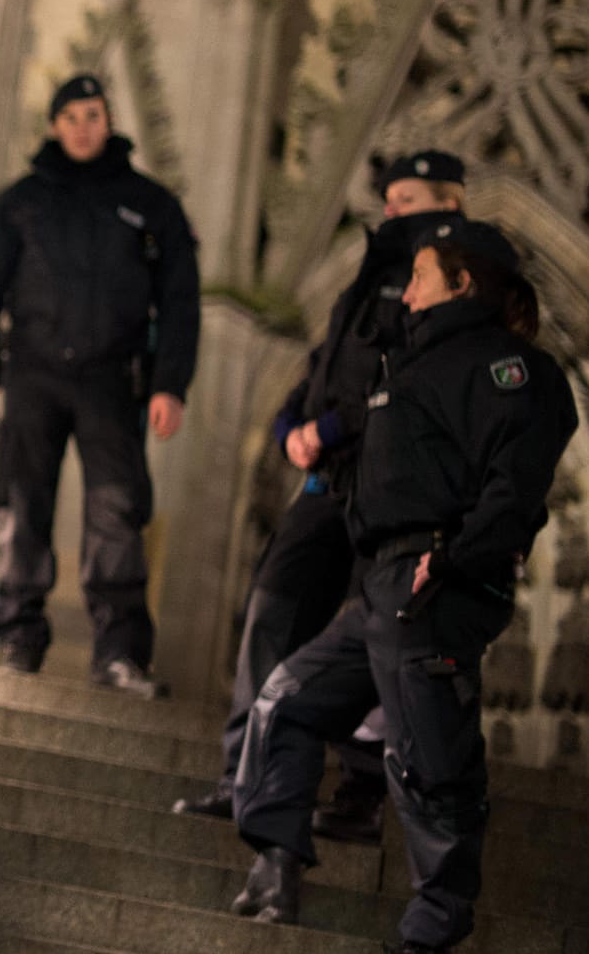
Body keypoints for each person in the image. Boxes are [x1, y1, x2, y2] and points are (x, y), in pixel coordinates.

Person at [230, 217, 576, 954]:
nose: (407, 291)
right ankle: (276, 861)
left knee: (431, 765)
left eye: (421, 275)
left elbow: (514, 489)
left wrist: (454, 561)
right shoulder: (406, 364)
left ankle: (432, 929)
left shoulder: (512, 370)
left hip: (434, 585)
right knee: (286, 702)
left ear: (464, 283)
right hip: (380, 584)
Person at [174, 151, 468, 840]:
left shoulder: (450, 285)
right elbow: (323, 366)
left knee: (379, 636)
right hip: (327, 482)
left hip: (394, 488)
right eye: (390, 198)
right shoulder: (369, 277)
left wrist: (326, 428)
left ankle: (361, 792)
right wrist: (290, 428)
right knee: (271, 610)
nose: (392, 210)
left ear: (447, 207)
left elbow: (420, 387)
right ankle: (245, 773)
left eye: (408, 198)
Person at [0, 73, 201, 697]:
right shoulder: (21, 201)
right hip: (32, 376)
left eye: (93, 115)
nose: (82, 126)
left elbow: (180, 301)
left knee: (117, 512)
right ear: (53, 125)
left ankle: (120, 653)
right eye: (71, 116)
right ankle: (19, 638)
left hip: (113, 381)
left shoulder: (150, 204)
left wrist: (170, 385)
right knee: (20, 506)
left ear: (109, 122)